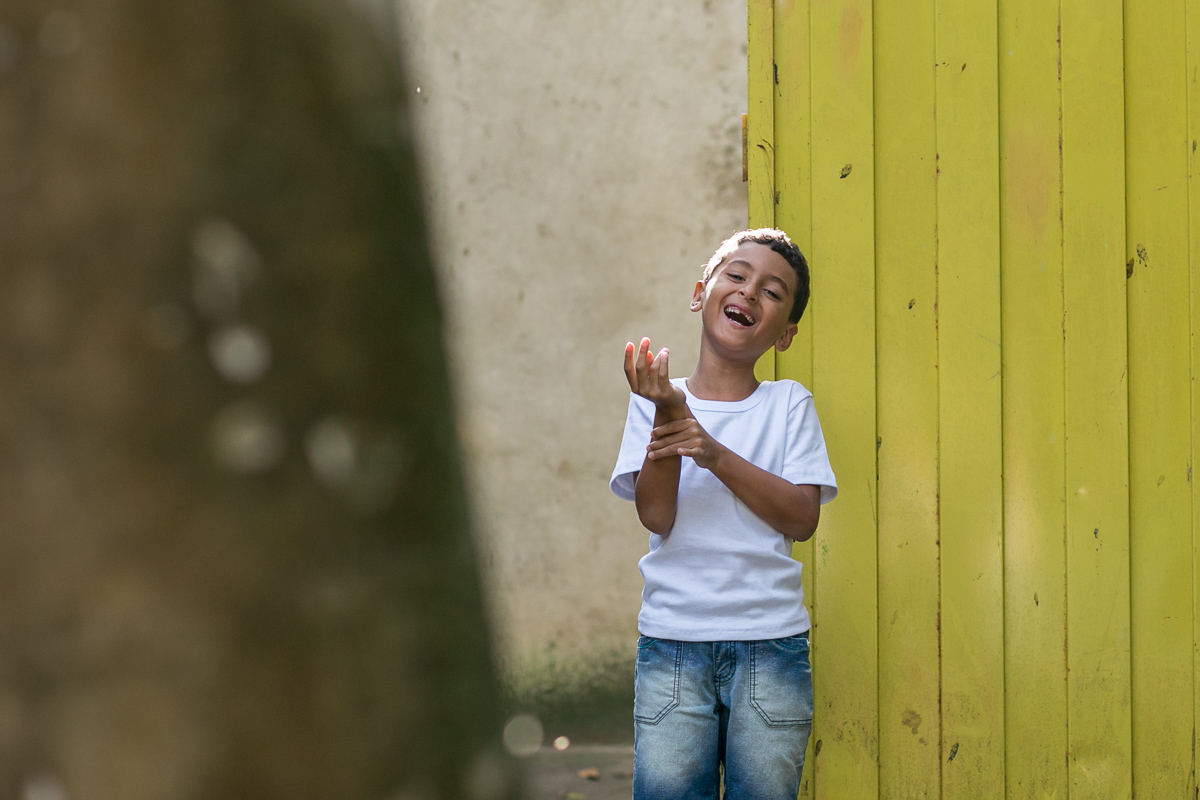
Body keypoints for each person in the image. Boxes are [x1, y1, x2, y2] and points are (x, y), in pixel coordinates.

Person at [610, 228, 838, 800]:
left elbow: (802, 519)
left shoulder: (789, 405)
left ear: (785, 334)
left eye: (772, 291)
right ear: (700, 293)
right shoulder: (656, 399)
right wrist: (668, 413)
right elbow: (656, 515)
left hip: (771, 647)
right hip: (672, 642)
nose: (749, 292)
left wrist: (712, 453)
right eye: (736, 276)